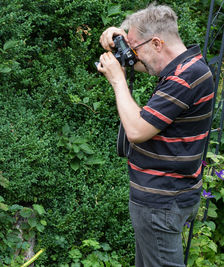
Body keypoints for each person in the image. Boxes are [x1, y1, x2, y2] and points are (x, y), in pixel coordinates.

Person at [97, 4, 214, 267]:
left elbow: (137, 131)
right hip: (169, 196)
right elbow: (142, 63)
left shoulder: (185, 79)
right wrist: (121, 41)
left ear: (158, 43)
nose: (134, 56)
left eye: (135, 48)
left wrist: (118, 80)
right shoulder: (186, 67)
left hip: (161, 202)